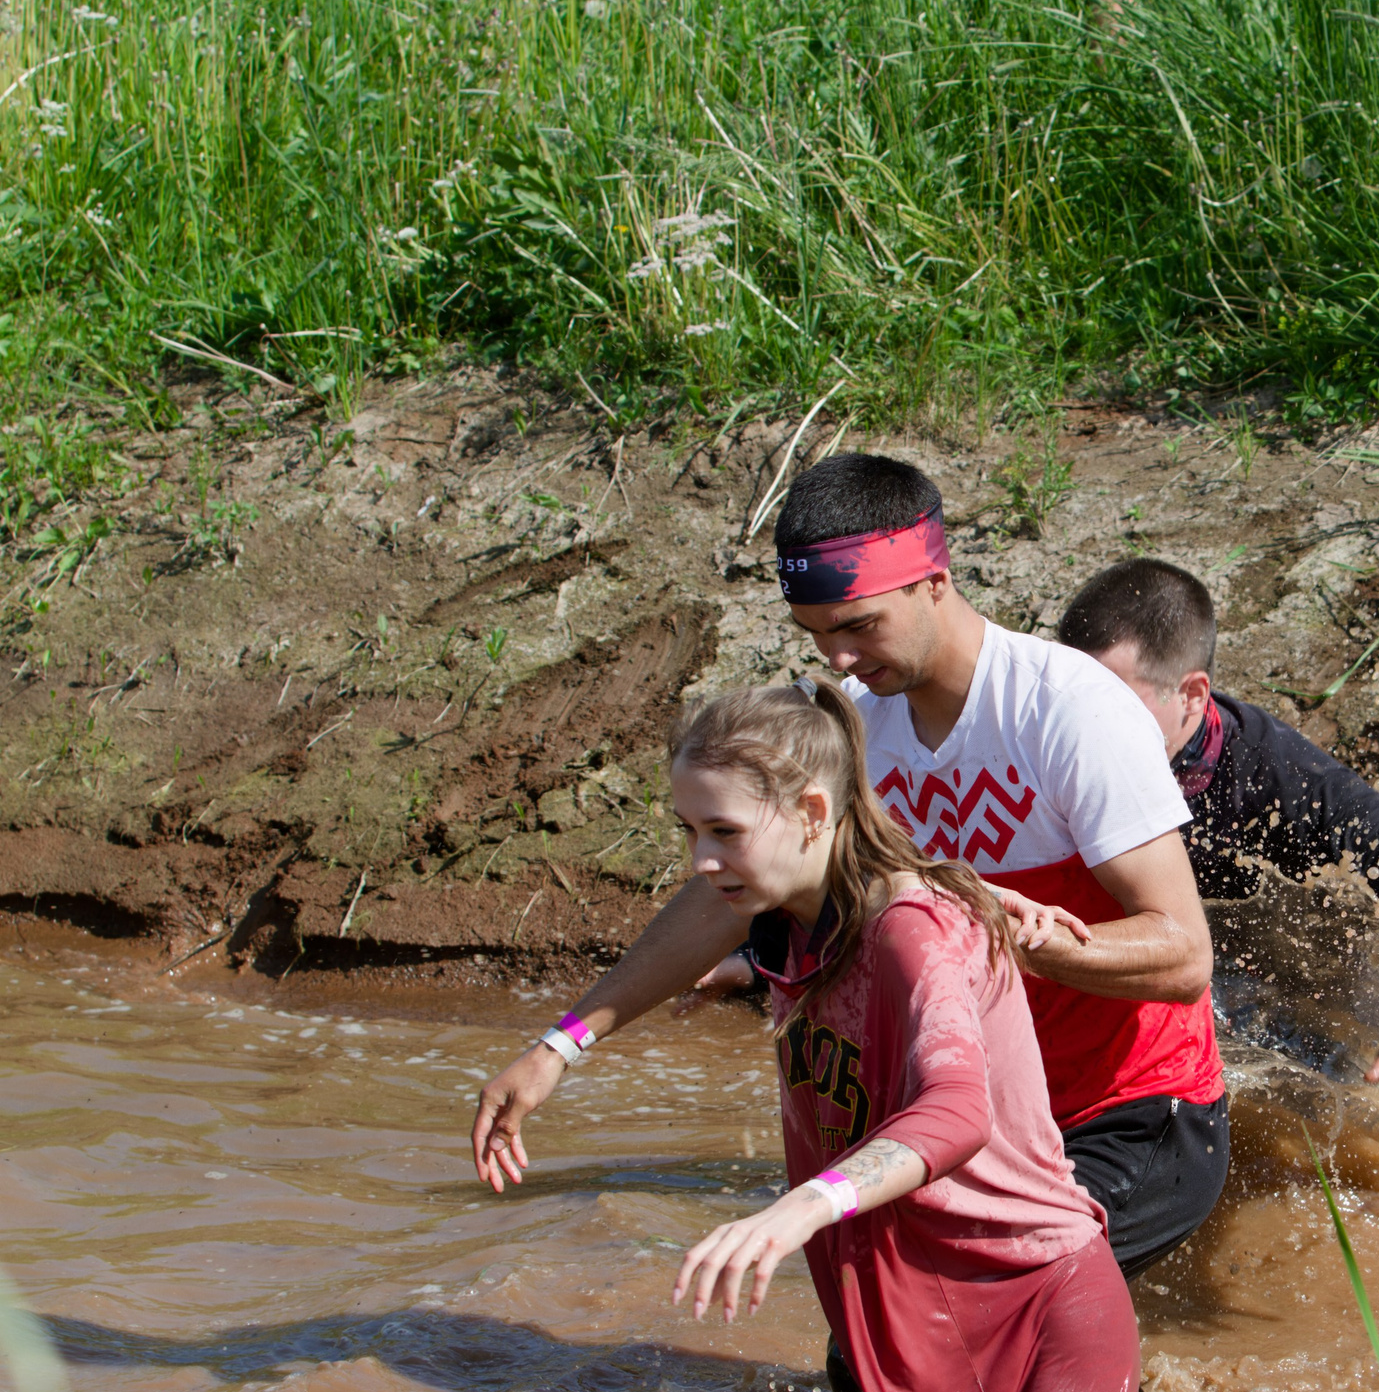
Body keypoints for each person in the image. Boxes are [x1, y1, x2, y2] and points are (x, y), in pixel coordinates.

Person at [473, 454, 1228, 1282]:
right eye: (815, 633)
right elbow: (724, 897)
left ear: (933, 579)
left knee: (986, 1299)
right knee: (870, 1351)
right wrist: (560, 1046)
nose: (836, 659)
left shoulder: (1069, 710)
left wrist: (1030, 943)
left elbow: (1184, 957)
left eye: (858, 625)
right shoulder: (856, 729)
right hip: (976, 1113)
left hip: (1136, 1114)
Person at [478, 683, 1137, 1392]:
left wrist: (793, 1210)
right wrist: (557, 1047)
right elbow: (697, 925)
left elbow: (957, 1112)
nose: (699, 861)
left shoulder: (913, 929)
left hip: (1038, 1324)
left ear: (813, 812)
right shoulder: (791, 913)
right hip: (910, 1337)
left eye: (723, 832)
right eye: (689, 831)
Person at [1056, 558, 1379, 1121]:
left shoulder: (1277, 782)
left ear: (1193, 696)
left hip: (1289, 991)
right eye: (1070, 697)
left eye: (1113, 706)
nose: (1079, 730)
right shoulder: (1043, 748)